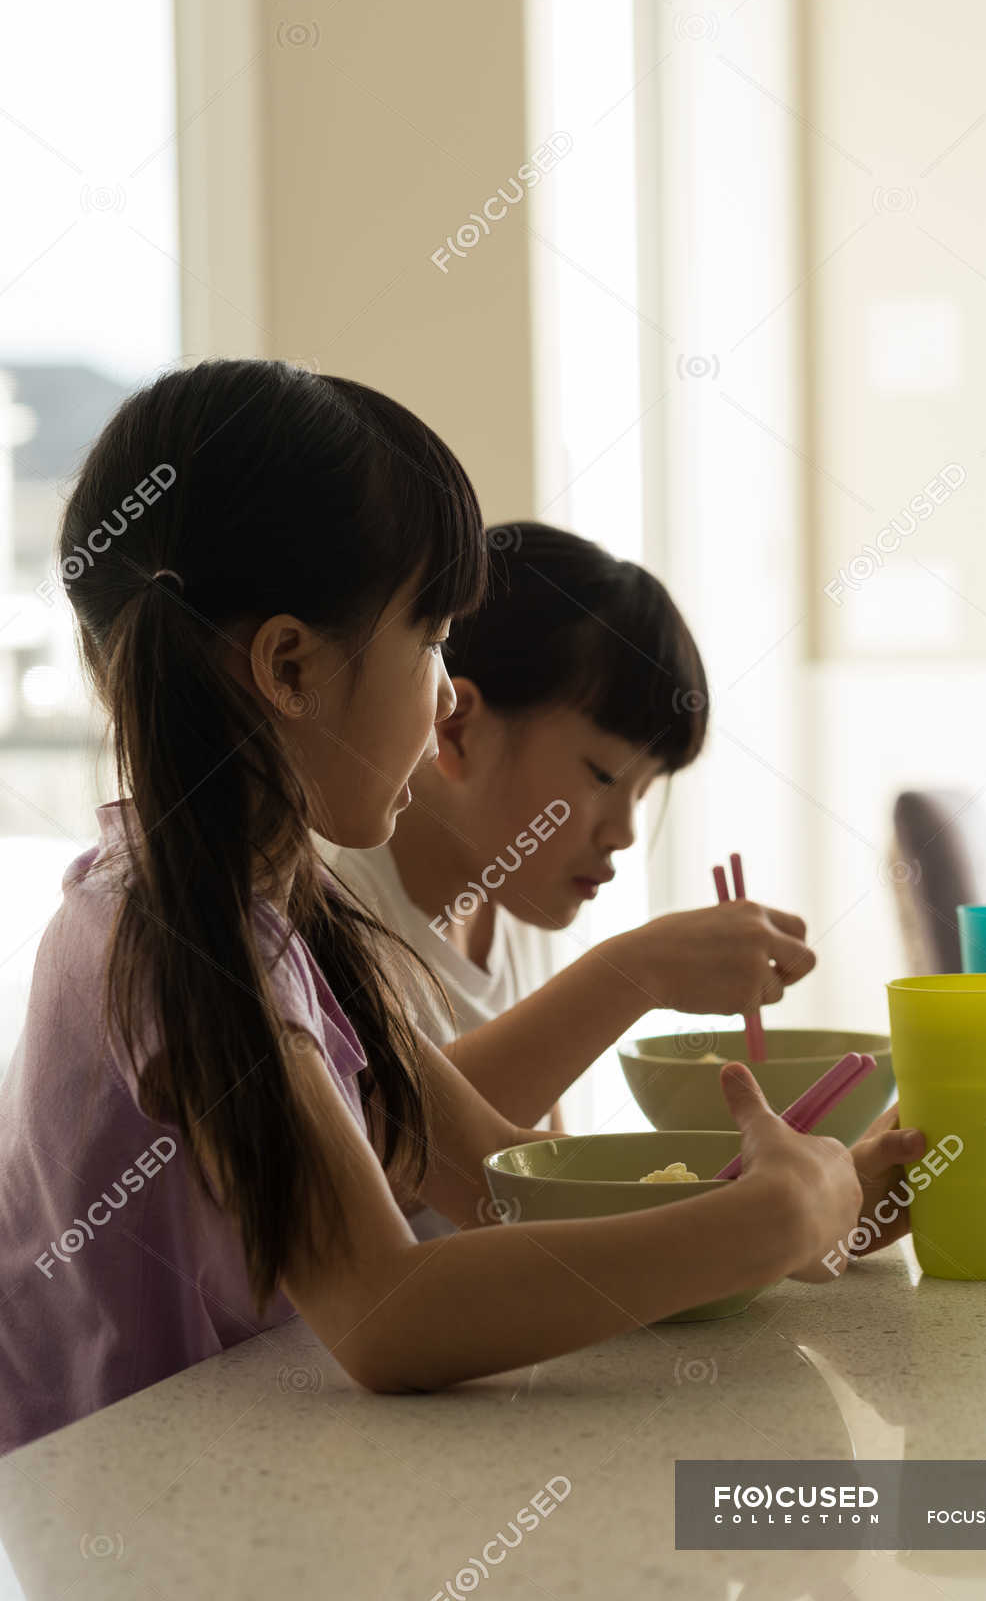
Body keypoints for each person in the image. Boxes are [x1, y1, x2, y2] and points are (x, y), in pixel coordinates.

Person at [0, 358, 924, 1454]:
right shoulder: (174, 938)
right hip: (118, 1515)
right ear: (289, 666)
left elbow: (502, 1181)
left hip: (236, 1475)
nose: (445, 692)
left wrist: (781, 1208)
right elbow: (388, 1314)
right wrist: (765, 1221)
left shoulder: (285, 914)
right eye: (432, 636)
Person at [325, 523, 829, 1238]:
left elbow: (534, 1196)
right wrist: (633, 973)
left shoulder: (511, 913)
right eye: (601, 777)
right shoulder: (328, 901)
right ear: (458, 729)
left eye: (646, 791)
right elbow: (372, 1163)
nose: (623, 831)